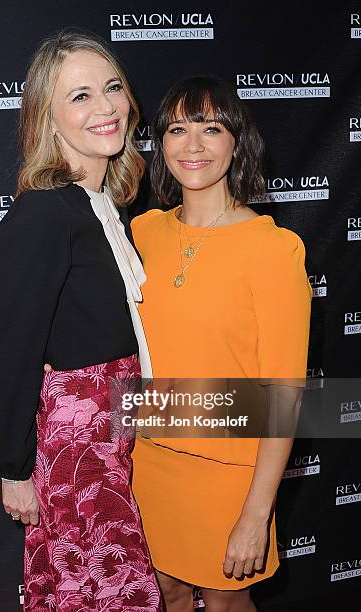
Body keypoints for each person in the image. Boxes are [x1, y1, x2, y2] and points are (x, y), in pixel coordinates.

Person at [0, 29, 161, 611]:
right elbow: (14, 350)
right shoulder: (43, 213)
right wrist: (14, 468)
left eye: (112, 88)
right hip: (77, 452)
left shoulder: (103, 205)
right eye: (80, 96)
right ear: (47, 118)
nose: (106, 106)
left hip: (115, 437)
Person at [128, 76, 313, 612]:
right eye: (178, 129)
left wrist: (258, 514)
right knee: (167, 595)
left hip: (228, 475)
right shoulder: (143, 233)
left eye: (210, 129)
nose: (192, 146)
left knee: (226, 601)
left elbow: (285, 393)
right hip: (148, 461)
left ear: (237, 142)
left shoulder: (273, 250)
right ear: (160, 142)